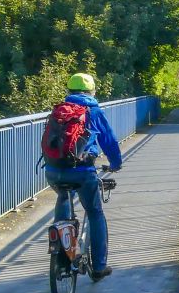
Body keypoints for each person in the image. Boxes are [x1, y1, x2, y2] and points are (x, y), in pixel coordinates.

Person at [44, 72, 122, 281]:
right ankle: (99, 267)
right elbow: (110, 142)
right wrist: (116, 164)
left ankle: (61, 240)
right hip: (82, 171)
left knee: (63, 195)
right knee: (95, 213)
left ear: (69, 91)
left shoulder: (59, 111)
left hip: (53, 170)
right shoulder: (93, 111)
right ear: (92, 91)